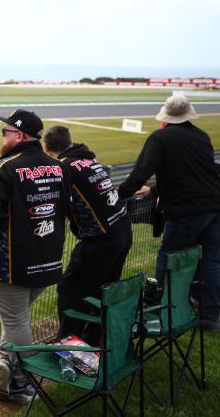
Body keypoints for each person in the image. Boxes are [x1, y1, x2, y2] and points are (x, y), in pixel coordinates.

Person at [0, 109, 70, 404]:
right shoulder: (58, 166)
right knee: (17, 319)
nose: (2, 137)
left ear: (18, 136)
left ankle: (21, 383)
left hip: (11, 265)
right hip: (48, 260)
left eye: (5, 132)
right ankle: (7, 363)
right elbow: (64, 207)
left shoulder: (3, 168)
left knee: (16, 322)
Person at [118, 94, 220, 330]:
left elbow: (140, 172)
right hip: (214, 205)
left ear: (166, 118)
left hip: (187, 209)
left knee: (169, 256)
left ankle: (160, 310)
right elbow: (191, 172)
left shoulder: (161, 138)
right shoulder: (201, 136)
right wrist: (154, 190)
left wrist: (118, 195)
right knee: (212, 261)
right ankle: (210, 315)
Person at [43, 125, 132, 345]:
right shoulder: (89, 160)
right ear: (70, 142)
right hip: (122, 230)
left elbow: (56, 204)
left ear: (46, 147)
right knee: (104, 291)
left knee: (69, 290)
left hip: (100, 239)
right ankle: (96, 341)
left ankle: (70, 346)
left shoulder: (63, 167)